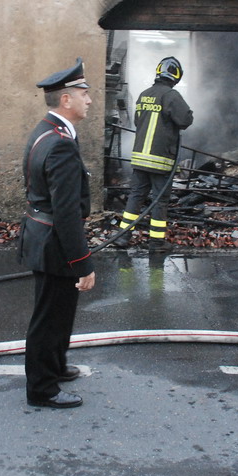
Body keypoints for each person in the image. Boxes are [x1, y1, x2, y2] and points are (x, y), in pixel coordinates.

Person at [19, 58, 97, 409]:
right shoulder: (61, 142)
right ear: (66, 99)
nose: (89, 100)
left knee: (60, 312)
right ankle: (42, 389)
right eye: (84, 93)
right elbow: (66, 212)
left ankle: (56, 366)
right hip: (55, 241)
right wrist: (83, 263)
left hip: (44, 236)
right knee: (49, 318)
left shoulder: (47, 131)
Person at [114, 56, 193, 250]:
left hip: (140, 158)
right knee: (160, 200)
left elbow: (137, 121)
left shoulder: (144, 94)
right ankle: (156, 241)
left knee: (136, 196)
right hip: (160, 160)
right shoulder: (171, 96)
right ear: (176, 76)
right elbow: (185, 119)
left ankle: (123, 237)